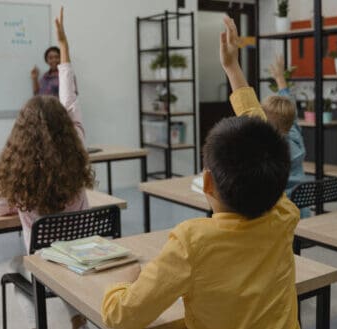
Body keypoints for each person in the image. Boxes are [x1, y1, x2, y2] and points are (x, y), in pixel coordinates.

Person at [100, 16, 300, 329]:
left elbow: (119, 317)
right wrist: (233, 69)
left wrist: (122, 281)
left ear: (207, 182)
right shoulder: (284, 214)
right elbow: (262, 133)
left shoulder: (192, 241)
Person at [0, 7, 93, 329]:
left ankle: (39, 321)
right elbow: (70, 97)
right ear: (67, 126)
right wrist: (64, 46)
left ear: (21, 131)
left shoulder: (19, 176)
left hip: (46, 262)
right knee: (62, 260)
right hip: (82, 253)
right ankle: (77, 314)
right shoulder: (75, 148)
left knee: (17, 263)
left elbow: (0, 208)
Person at [265, 54, 310, 218]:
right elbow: (292, 109)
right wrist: (279, 78)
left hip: (282, 218)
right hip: (303, 213)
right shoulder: (294, 133)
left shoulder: (271, 150)